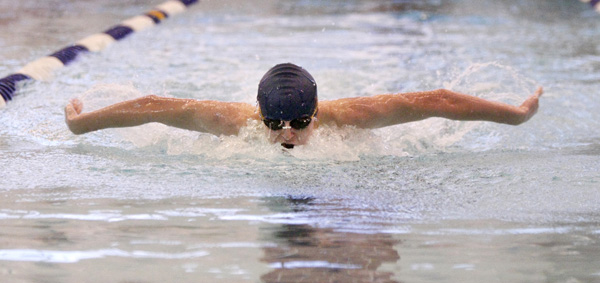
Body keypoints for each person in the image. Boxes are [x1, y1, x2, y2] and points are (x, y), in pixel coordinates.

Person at [65, 63, 542, 149]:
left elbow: (438, 101)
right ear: (258, 113)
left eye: (297, 123)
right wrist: (81, 126)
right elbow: (152, 106)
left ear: (317, 112)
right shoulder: (232, 123)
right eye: (274, 123)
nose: (287, 135)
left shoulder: (351, 116)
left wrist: (516, 116)